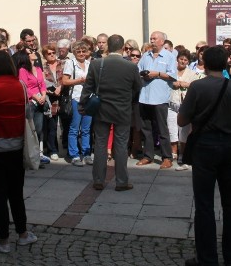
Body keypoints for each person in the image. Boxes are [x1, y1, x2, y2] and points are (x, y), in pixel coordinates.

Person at [177, 46, 231, 266]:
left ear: (205, 64)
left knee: (204, 204)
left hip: (205, 146)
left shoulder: (198, 87)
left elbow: (182, 121)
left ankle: (207, 258)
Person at [0, 51, 39, 253]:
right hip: (16, 146)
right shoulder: (20, 85)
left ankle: (3, 240)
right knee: (16, 193)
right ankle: (22, 234)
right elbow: (26, 113)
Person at [81, 34, 142, 191]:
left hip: (102, 109)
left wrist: (82, 105)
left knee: (100, 144)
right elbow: (137, 88)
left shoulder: (96, 64)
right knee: (121, 145)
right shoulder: (131, 66)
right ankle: (121, 181)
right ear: (123, 48)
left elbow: (88, 87)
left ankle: (98, 180)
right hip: (123, 110)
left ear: (107, 46)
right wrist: (129, 101)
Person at [137, 30, 177, 169]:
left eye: (154, 38)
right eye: (151, 38)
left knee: (162, 129)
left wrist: (157, 74)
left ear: (162, 41)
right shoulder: (145, 56)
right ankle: (148, 156)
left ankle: (167, 157)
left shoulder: (169, 56)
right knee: (146, 129)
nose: (152, 41)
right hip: (144, 97)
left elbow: (173, 76)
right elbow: (137, 72)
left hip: (160, 98)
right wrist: (144, 75)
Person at [14, 50, 49, 166]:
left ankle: (37, 155)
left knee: (38, 129)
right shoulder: (23, 70)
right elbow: (24, 86)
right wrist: (35, 97)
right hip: (30, 102)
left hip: (40, 102)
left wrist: (43, 96)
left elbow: (42, 84)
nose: (34, 52)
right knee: (29, 129)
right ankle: (27, 156)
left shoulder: (38, 69)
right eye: (31, 52)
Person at [169, 49, 202, 169]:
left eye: (185, 60)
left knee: (184, 132)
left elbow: (196, 85)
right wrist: (173, 83)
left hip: (185, 106)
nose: (183, 61)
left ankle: (182, 154)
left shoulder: (192, 73)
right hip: (172, 104)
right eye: (181, 59)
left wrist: (185, 84)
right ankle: (173, 153)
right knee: (172, 130)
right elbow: (166, 83)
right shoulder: (171, 71)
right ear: (177, 59)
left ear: (188, 62)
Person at [62, 41, 92, 166]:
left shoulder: (90, 64)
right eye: (78, 51)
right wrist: (79, 80)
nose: (81, 53)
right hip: (76, 98)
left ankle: (86, 153)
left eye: (83, 51)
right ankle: (74, 154)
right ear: (74, 52)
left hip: (88, 99)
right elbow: (65, 81)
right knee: (74, 127)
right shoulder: (70, 63)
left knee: (86, 128)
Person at [40, 44, 63, 161]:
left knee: (68, 125)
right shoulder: (43, 67)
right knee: (52, 126)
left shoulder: (62, 64)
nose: (52, 54)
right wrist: (52, 91)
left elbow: (66, 78)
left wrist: (61, 87)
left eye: (53, 52)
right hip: (51, 99)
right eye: (49, 53)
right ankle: (52, 149)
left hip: (64, 97)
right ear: (45, 56)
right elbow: (42, 83)